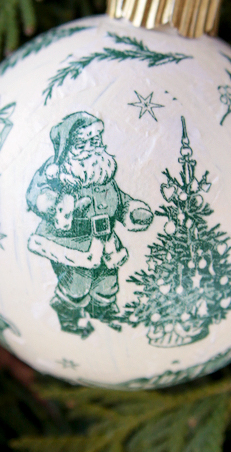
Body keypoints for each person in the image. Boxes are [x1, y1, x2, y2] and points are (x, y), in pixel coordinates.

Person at [27, 112, 153, 338]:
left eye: (95, 141)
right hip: (70, 242)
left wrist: (132, 211)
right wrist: (58, 205)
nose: (90, 147)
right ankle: (68, 316)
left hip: (104, 240)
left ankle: (103, 311)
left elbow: (119, 198)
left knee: (107, 279)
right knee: (78, 283)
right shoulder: (58, 173)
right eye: (82, 143)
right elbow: (38, 195)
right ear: (69, 145)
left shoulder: (102, 171)